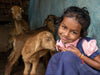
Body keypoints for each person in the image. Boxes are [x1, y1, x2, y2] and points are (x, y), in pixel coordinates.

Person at [45, 6, 100, 75]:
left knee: (68, 56)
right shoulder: (60, 43)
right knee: (55, 58)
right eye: (64, 27)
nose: (66, 34)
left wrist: (80, 55)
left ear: (81, 35)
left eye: (73, 32)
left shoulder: (85, 44)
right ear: (60, 23)